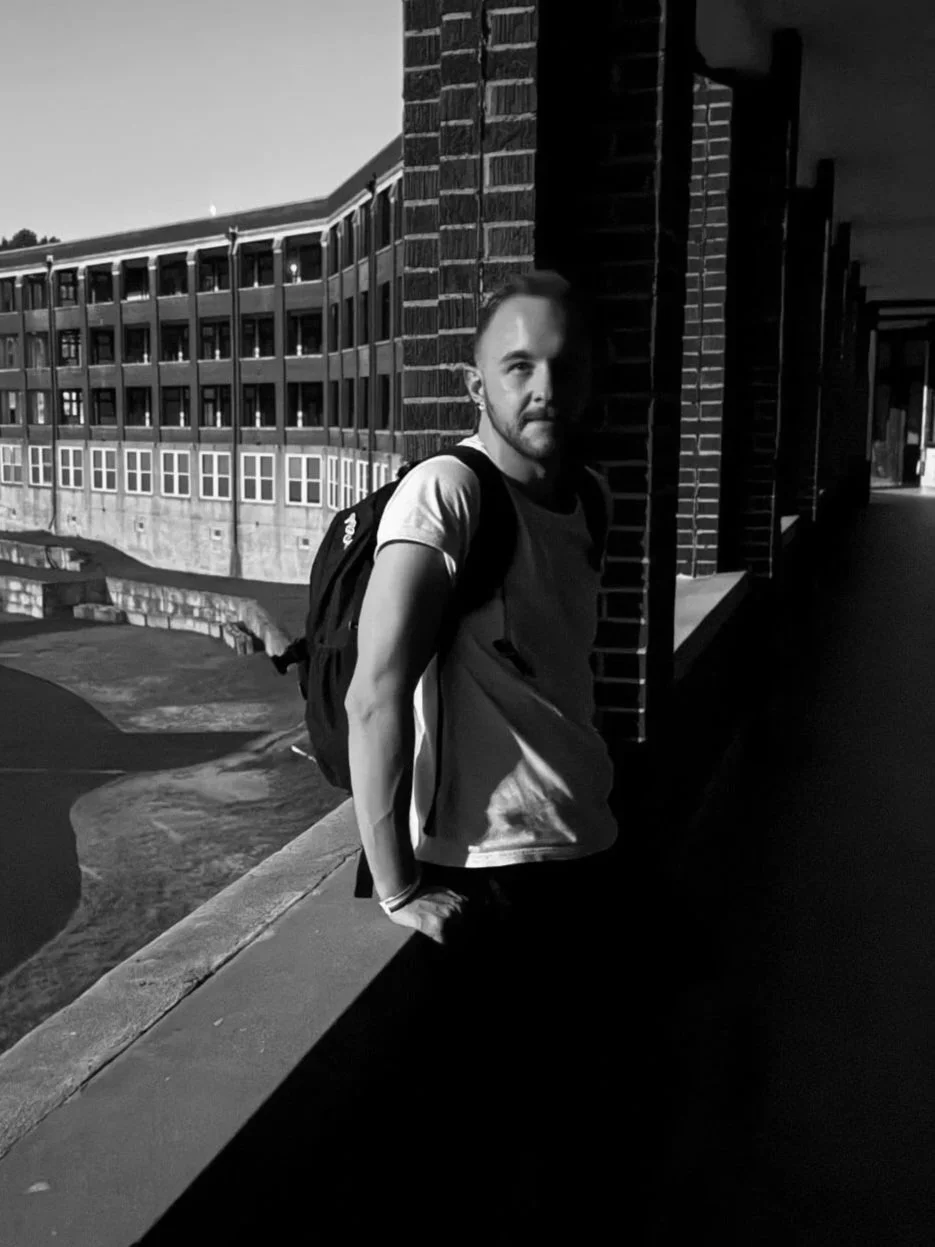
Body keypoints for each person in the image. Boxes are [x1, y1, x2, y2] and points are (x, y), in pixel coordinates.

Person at [343, 270, 622, 1234]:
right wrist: (397, 887)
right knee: (489, 1156)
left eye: (564, 367)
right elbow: (373, 694)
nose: (543, 388)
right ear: (476, 384)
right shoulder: (446, 493)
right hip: (489, 876)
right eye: (518, 367)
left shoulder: (589, 497)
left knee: (580, 1134)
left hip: (588, 848)